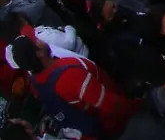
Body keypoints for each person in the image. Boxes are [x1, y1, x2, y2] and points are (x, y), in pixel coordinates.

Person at [11, 34, 140, 139]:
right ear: (39, 53)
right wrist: (137, 107)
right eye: (36, 40)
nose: (40, 40)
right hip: (119, 124)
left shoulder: (36, 83)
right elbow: (110, 105)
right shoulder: (70, 76)